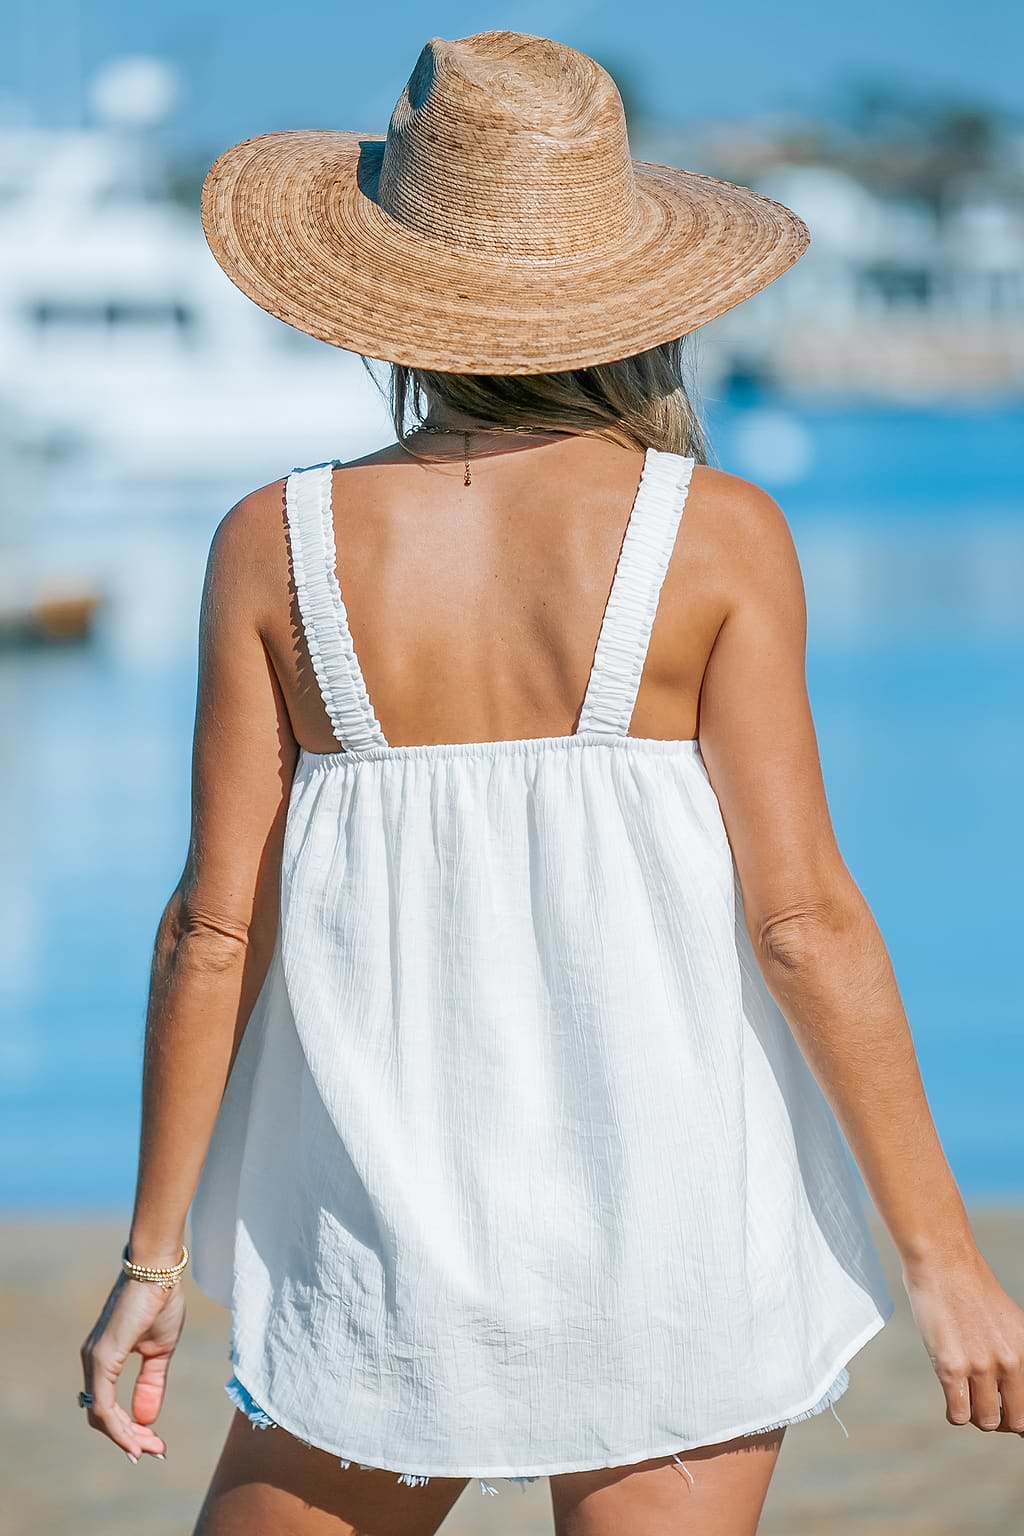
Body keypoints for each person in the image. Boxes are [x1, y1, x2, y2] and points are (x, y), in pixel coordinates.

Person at [79, 29, 1024, 1536]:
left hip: (369, 1239)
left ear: (391, 291)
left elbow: (212, 930)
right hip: (677, 1227)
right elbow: (806, 924)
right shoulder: (717, 535)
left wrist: (153, 1259)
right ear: (630, 286)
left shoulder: (277, 542)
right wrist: (945, 1257)